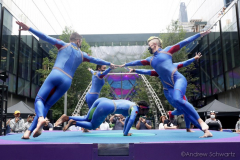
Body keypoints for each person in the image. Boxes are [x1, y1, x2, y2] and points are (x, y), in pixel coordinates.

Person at [16, 21, 114, 139]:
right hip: (67, 81)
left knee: (39, 99)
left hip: (56, 73)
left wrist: (29, 28)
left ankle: (41, 119)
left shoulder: (63, 45)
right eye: (81, 42)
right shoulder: (82, 55)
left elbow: (44, 37)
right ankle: (28, 132)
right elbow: (96, 60)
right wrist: (109, 64)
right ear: (78, 41)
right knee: (46, 105)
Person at [121, 31, 212, 138]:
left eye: (149, 45)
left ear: (154, 45)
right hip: (169, 89)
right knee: (183, 108)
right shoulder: (151, 61)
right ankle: (205, 131)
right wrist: (128, 66)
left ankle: (200, 122)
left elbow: (184, 42)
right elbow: (141, 65)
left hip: (178, 80)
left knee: (180, 101)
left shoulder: (167, 52)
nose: (148, 47)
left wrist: (200, 35)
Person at [128, 53, 202, 133]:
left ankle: (180, 120)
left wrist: (194, 58)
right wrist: (135, 70)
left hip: (178, 90)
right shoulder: (158, 71)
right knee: (185, 110)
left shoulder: (174, 66)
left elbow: (185, 63)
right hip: (168, 92)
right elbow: (146, 71)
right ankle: (202, 128)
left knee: (185, 109)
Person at [55, 98, 149, 136]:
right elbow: (131, 120)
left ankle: (67, 118)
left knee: (86, 118)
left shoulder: (131, 104)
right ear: (141, 108)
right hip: (106, 107)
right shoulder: (135, 109)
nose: (143, 112)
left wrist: (125, 132)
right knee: (92, 125)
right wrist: (125, 134)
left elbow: (128, 119)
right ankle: (74, 122)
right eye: (144, 110)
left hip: (102, 100)